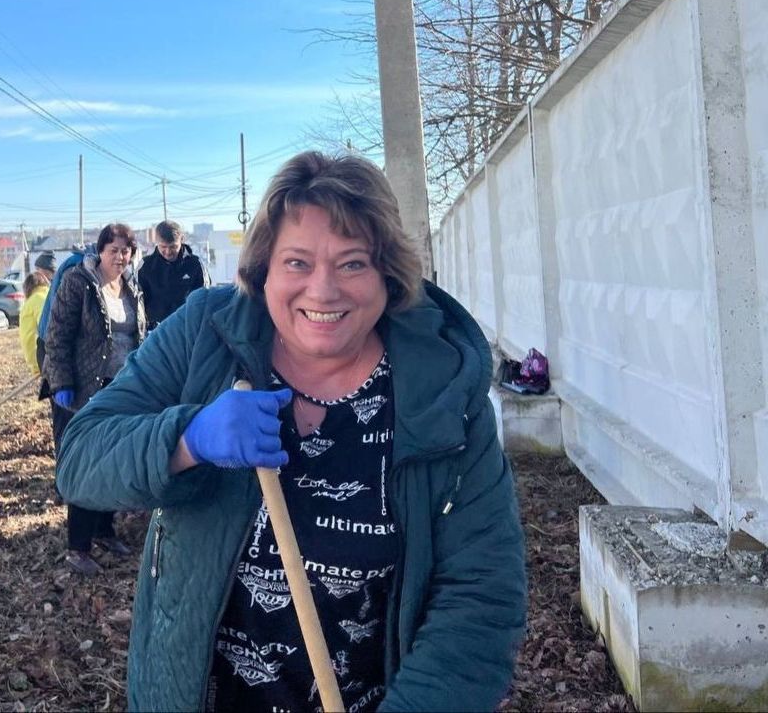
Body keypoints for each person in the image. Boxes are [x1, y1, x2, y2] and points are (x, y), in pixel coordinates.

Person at [56, 152, 527, 711]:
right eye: (297, 263)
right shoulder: (204, 336)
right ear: (264, 270)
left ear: (388, 273)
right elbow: (81, 459)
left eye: (353, 263)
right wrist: (187, 439)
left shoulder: (442, 390)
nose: (323, 291)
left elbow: (480, 594)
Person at [42, 223, 147, 574]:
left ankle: (104, 529)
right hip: (82, 389)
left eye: (126, 251)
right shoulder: (79, 282)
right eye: (114, 250)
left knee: (113, 462)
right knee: (85, 465)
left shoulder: (131, 287)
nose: (121, 257)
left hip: (121, 389)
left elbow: (137, 336)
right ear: (100, 251)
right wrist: (61, 383)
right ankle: (78, 547)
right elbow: (57, 337)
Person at [136, 219, 210, 329]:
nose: (168, 251)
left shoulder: (195, 264)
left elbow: (204, 297)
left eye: (173, 246)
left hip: (187, 328)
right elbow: (138, 301)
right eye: (163, 247)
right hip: (155, 331)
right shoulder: (146, 266)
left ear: (182, 240)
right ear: (156, 242)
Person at [19, 271, 49, 376]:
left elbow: (28, 338)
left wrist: (35, 366)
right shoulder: (52, 294)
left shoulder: (30, 304)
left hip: (45, 356)